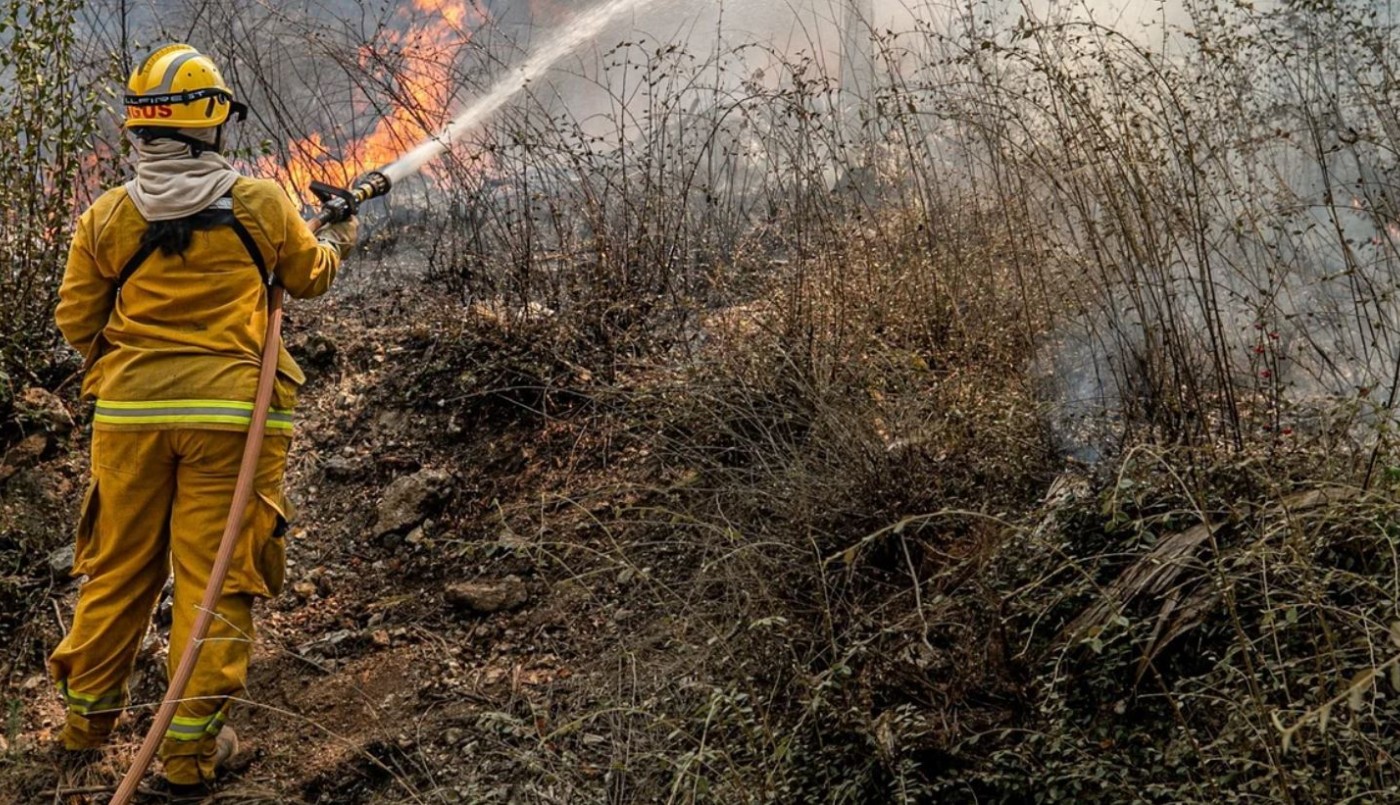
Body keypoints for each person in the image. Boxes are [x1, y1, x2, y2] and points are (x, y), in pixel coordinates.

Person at [48, 43, 357, 794]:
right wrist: (341, 235)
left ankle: (84, 727)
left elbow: (74, 321)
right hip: (234, 422)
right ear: (211, 121)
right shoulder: (259, 203)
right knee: (213, 583)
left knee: (116, 569)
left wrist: (130, 362)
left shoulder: (107, 215)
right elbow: (309, 278)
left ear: (143, 129)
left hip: (127, 422)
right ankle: (185, 758)